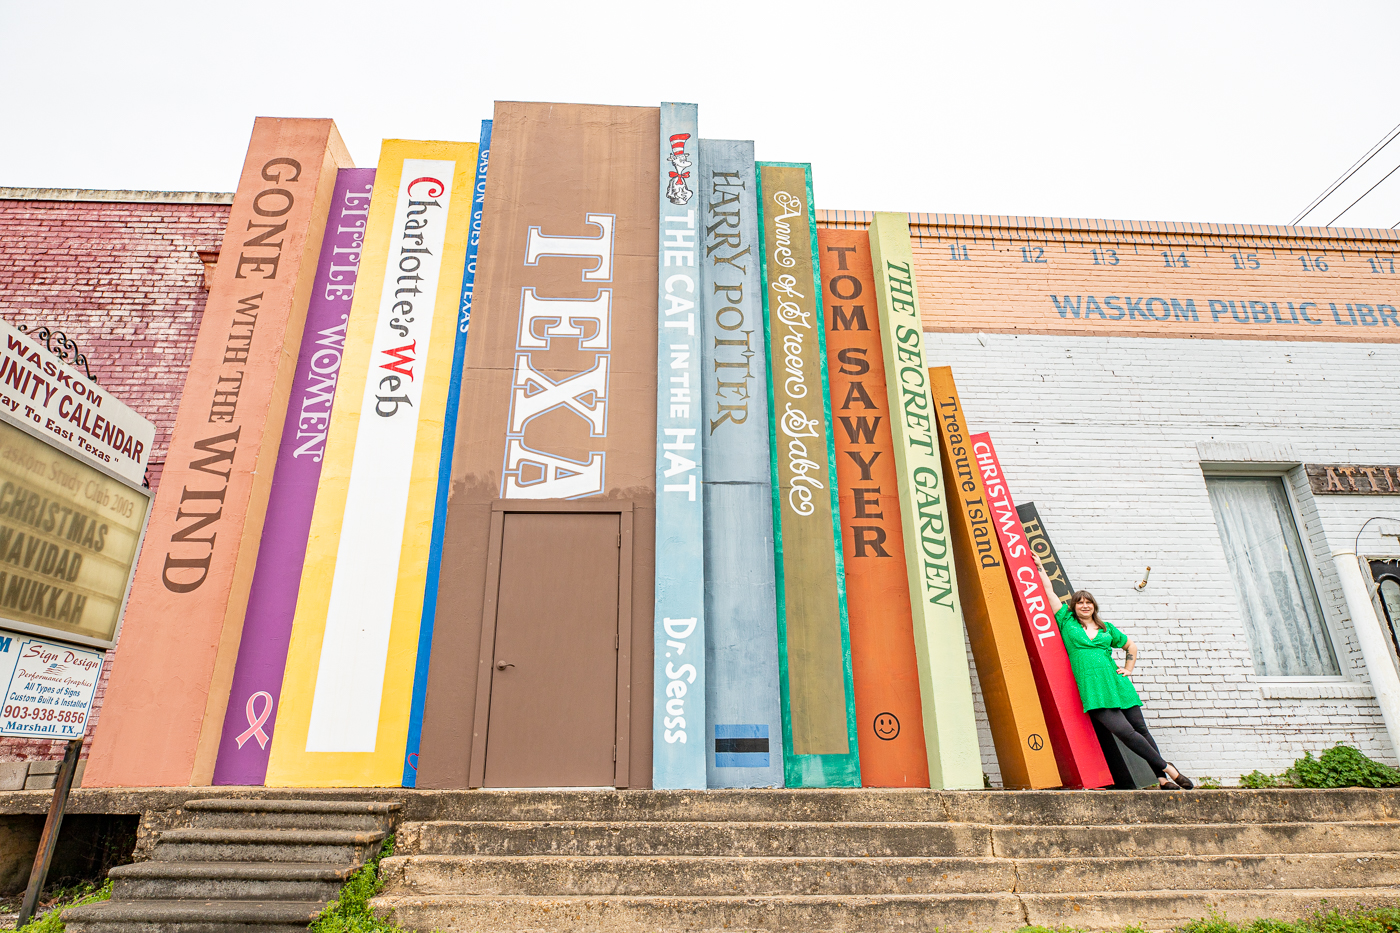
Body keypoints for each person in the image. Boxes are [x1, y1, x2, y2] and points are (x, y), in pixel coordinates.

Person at [1034, 555, 1193, 790]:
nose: (1085, 605)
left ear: (1094, 606)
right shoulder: (1066, 622)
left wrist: (1128, 669)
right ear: (1074, 607)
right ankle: (1169, 769)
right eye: (1080, 602)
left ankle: (1160, 779)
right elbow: (1050, 594)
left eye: (1089, 602)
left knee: (1141, 730)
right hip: (1094, 688)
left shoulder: (1106, 628)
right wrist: (1039, 568)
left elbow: (1131, 647)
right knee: (1125, 732)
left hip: (1117, 683)